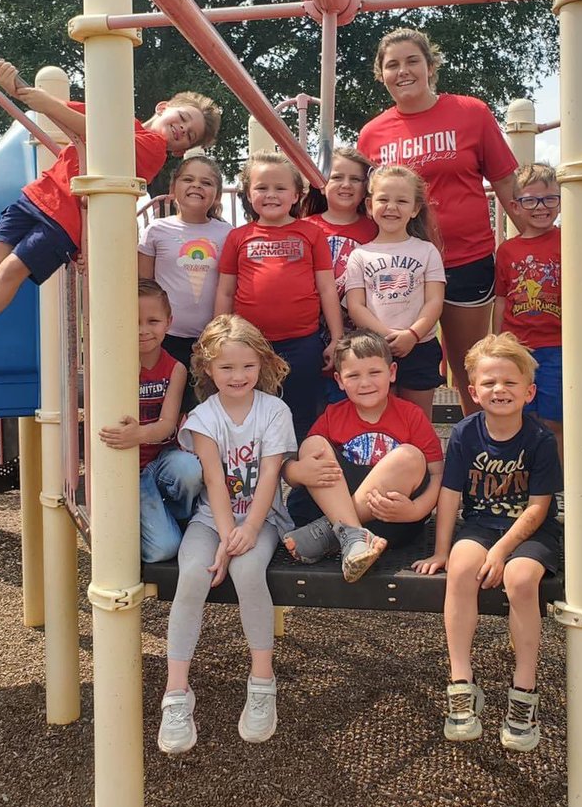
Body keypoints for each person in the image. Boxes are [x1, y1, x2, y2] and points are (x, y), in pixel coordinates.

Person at [0, 59, 221, 372]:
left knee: (11, 268)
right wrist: (15, 87)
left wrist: (46, 103)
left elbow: (102, 136)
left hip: (65, 222)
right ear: (163, 107)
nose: (182, 129)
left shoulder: (153, 150)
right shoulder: (118, 120)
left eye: (190, 134)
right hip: (40, 195)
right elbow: (55, 107)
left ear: (181, 149)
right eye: (183, 118)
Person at [413, 333, 562, 752]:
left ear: (528, 392)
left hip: (530, 531)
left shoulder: (539, 439)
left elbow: (538, 508)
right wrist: (442, 550)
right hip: (481, 526)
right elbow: (450, 495)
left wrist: (501, 552)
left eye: (510, 382)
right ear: (474, 391)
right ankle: (461, 680)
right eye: (489, 382)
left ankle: (524, 688)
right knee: (461, 570)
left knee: (520, 579)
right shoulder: (465, 433)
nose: (500, 389)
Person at [357, 28, 517, 416]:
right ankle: (401, 446)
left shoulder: (471, 112)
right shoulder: (372, 134)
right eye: (392, 65)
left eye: (413, 61)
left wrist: (533, 238)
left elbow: (505, 182)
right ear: (381, 74)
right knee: (397, 365)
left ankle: (481, 442)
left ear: (430, 66)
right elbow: (366, 205)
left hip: (465, 259)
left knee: (470, 367)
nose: (403, 71)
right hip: (399, 268)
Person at [157, 315, 296, 756]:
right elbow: (214, 480)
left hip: (262, 519)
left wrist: (248, 529)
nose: (238, 376)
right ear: (208, 368)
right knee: (193, 575)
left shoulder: (275, 411)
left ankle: (262, 681)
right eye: (227, 367)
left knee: (248, 571)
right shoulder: (204, 417)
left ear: (263, 364)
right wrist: (225, 534)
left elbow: (270, 474)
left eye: (248, 366)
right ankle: (176, 692)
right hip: (211, 520)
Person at [283, 331, 444, 579]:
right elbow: (293, 475)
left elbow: (437, 475)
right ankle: (354, 539)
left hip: (390, 517)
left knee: (409, 456)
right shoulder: (333, 415)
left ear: (392, 372)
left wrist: (416, 510)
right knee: (312, 445)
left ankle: (334, 530)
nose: (365, 383)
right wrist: (296, 471)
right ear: (339, 380)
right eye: (353, 376)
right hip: (336, 502)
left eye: (374, 372)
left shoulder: (411, 415)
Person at [214, 150, 344, 443]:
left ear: (296, 195)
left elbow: (327, 289)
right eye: (262, 187)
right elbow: (225, 290)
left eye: (280, 188)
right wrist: (218, 336)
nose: (271, 194)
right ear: (249, 194)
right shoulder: (238, 236)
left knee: (302, 412)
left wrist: (336, 338)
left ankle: (298, 467)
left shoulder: (311, 234)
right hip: (250, 345)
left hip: (302, 342)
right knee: (252, 410)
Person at [98, 280, 203, 562]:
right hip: (130, 468)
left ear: (169, 323)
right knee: (163, 550)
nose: (143, 330)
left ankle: (175, 517)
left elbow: (168, 424)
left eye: (152, 321)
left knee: (190, 469)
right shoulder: (112, 365)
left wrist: (139, 435)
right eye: (134, 322)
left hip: (160, 460)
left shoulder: (175, 369)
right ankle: (150, 525)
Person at [344, 163, 446, 420]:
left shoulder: (427, 251)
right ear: (369, 206)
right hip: (375, 349)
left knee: (418, 418)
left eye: (401, 201)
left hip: (420, 346)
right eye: (383, 200)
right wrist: (387, 337)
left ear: (415, 209)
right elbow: (356, 306)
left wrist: (412, 334)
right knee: (378, 416)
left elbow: (434, 301)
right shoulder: (359, 255)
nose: (391, 207)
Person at [138, 155, 232, 411]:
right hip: (165, 338)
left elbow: (230, 285)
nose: (196, 185)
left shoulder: (227, 233)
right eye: (188, 179)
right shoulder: (156, 230)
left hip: (209, 338)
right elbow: (144, 285)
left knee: (203, 404)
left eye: (206, 182)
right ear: (173, 188)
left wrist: (220, 332)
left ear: (217, 195)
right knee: (167, 405)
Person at [493, 163, 563, 460]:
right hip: (518, 347)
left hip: (557, 346)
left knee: (555, 419)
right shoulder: (507, 250)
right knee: (521, 415)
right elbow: (501, 299)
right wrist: (497, 341)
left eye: (549, 199)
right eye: (531, 200)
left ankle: (558, 477)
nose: (541, 207)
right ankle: (526, 472)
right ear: (515, 206)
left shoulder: (568, 241)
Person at [301, 147, 377, 402]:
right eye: (336, 177)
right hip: (311, 333)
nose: (346, 184)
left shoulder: (375, 229)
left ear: (366, 188)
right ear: (322, 185)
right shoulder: (304, 227)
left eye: (355, 179)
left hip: (359, 336)